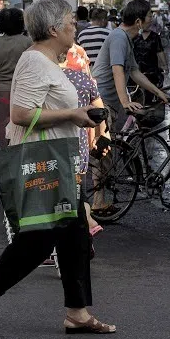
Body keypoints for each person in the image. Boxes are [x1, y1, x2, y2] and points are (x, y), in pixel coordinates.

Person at [0, 0, 112, 339]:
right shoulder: (33, 62)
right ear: (54, 28)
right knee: (38, 241)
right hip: (42, 164)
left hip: (61, 161)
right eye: (71, 22)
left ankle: (77, 312)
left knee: (74, 237)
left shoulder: (49, 62)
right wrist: (73, 115)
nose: (75, 27)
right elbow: (21, 115)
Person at [92, 0, 169, 134]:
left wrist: (158, 92)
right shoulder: (119, 37)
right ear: (138, 22)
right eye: (150, 16)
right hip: (103, 100)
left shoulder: (127, 39)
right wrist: (125, 102)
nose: (152, 19)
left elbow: (134, 72)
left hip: (113, 101)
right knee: (107, 147)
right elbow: (118, 70)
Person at [60, 44, 108, 237]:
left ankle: (85, 220)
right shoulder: (84, 79)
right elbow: (100, 111)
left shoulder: (46, 78)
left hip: (53, 144)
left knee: (58, 192)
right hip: (79, 145)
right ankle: (85, 219)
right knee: (77, 188)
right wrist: (99, 135)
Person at [0, 8, 33, 149]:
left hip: (4, 90)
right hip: (26, 89)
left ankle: (6, 153)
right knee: (25, 122)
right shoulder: (28, 42)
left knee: (4, 123)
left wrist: (2, 72)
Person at [131, 10, 167, 104]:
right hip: (137, 72)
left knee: (149, 99)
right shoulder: (135, 37)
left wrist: (165, 66)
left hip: (152, 72)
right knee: (137, 99)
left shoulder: (155, 37)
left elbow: (160, 52)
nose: (150, 21)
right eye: (149, 18)